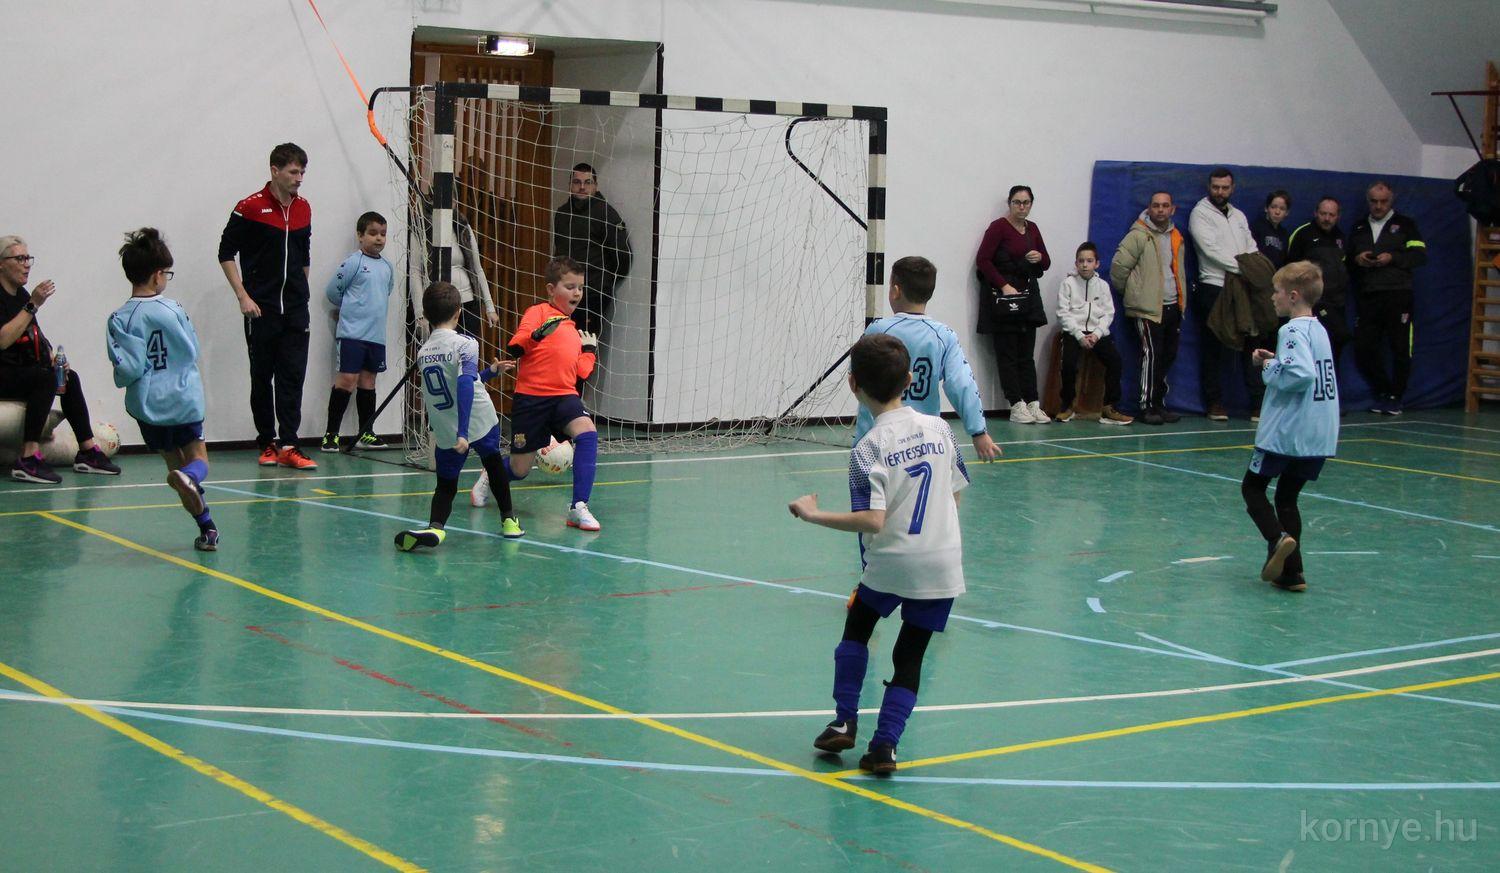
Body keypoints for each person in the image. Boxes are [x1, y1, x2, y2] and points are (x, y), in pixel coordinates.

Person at [790, 333, 970, 775]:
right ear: (909, 380)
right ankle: (885, 746)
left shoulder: (867, 447)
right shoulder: (941, 428)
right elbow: (955, 492)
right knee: (910, 656)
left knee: (857, 628)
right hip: (943, 560)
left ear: (853, 385)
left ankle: (844, 720)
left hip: (892, 560)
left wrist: (813, 515)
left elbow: (872, 520)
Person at [470, 257, 602, 531]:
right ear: (551, 289)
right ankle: (491, 475)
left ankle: (578, 506)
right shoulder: (538, 312)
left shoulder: (572, 330)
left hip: (564, 397)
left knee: (587, 433)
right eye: (570, 287)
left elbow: (580, 372)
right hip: (531, 400)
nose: (577, 293)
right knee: (520, 469)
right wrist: (537, 335)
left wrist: (589, 351)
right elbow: (516, 346)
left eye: (580, 287)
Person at [106, 229, 217, 551]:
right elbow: (192, 348)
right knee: (197, 460)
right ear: (157, 275)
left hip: (149, 406)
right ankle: (193, 481)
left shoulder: (119, 319)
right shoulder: (173, 309)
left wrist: (121, 376)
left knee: (175, 468)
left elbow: (128, 368)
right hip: (183, 398)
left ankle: (207, 528)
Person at [394, 282, 521, 550]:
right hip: (478, 420)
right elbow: (464, 384)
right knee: (494, 465)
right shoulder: (466, 344)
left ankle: (436, 527)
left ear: (426, 315)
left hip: (445, 427)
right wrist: (464, 431)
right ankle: (509, 521)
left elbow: (459, 381)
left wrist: (490, 372)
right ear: (458, 312)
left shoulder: (423, 352)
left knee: (446, 484)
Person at [217, 143, 317, 470]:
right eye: (293, 172)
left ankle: (290, 444)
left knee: (292, 376)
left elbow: (304, 256)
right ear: (275, 170)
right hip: (261, 309)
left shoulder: (304, 208)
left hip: (296, 310)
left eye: (302, 172)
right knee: (262, 378)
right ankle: (267, 443)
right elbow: (225, 253)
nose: (299, 178)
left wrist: (302, 292)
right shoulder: (249, 207)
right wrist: (242, 296)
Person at [1244, 261, 1339, 592]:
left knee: (1252, 488)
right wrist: (1277, 359)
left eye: (1277, 292)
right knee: (1287, 497)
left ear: (1293, 296)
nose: (1273, 297)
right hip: (1319, 432)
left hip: (1289, 430)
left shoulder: (1291, 330)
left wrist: (1268, 366)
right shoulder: (1319, 330)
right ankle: (1292, 573)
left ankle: (1277, 539)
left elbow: (1301, 374)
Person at [855, 255, 1000, 460]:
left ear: (895, 291)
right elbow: (962, 384)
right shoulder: (944, 335)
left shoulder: (877, 331)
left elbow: (857, 377)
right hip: (924, 442)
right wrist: (978, 431)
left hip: (876, 441)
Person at [0, 235, 118, 483]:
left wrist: (53, 359)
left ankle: (87, 452)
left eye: (28, 258)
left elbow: (35, 336)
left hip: (19, 372)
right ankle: (28, 457)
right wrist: (33, 305)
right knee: (44, 379)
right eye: (19, 258)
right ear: (1, 264)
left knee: (67, 377)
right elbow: (4, 340)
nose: (26, 264)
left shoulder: (21, 295)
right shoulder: (15, 299)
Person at [1189, 168, 1261, 421]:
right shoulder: (1199, 214)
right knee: (1214, 348)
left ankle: (1257, 403)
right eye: (1216, 187)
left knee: (1251, 345)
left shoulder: (1239, 215)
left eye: (1225, 187)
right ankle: (1215, 403)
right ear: (1209, 187)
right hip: (1214, 286)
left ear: (1232, 188)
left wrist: (1249, 267)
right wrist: (1241, 267)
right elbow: (1210, 250)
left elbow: (1251, 245)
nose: (1220, 192)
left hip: (1243, 287)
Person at [1348, 181, 1426, 415]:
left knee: (1400, 347)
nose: (1378, 206)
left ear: (1391, 201)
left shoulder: (1406, 225)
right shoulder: (1359, 227)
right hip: (1369, 295)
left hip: (1398, 294)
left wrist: (1392, 258)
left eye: (1383, 202)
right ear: (1368, 201)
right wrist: (1358, 259)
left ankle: (1396, 396)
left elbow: (1419, 255)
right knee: (1363, 347)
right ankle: (1383, 391)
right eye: (1374, 201)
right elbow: (1347, 258)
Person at [975, 185, 1051, 423]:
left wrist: (1039, 257)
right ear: (1009, 203)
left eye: (1026, 202)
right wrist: (1004, 285)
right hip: (1004, 300)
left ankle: (1033, 402)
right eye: (1017, 202)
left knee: (1026, 354)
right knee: (1007, 353)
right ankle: (1016, 404)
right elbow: (983, 260)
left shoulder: (1033, 229)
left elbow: (1046, 262)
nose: (1022, 207)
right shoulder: (998, 227)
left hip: (1027, 299)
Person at [1110, 192, 1187, 426]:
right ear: (1149, 208)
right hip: (1147, 308)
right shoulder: (1138, 235)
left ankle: (1159, 403)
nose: (1160, 210)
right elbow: (1119, 268)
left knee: (1168, 355)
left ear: (1173, 209)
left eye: (1165, 206)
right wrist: (1135, 293)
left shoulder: (1176, 236)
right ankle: (1146, 406)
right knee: (1151, 355)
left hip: (1173, 305)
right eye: (1156, 206)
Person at [321, 211, 395, 452]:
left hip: (376, 336)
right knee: (347, 380)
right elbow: (333, 291)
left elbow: (386, 291)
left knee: (368, 381)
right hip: (352, 335)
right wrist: (349, 309)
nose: (379, 238)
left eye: (383, 234)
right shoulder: (354, 262)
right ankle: (331, 434)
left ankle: (366, 433)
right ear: (360, 235)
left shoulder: (387, 267)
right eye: (373, 233)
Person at [1056, 243, 1132, 425]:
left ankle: (1108, 408)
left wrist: (1097, 334)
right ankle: (1067, 406)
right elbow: (1062, 313)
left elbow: (1108, 313)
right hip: (1074, 332)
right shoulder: (1068, 284)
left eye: (1089, 261)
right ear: (1076, 263)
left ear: (1097, 264)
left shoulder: (1103, 286)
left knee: (1115, 362)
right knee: (1068, 364)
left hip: (1097, 333)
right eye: (1081, 261)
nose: (1085, 265)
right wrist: (1079, 335)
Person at [553, 163, 632, 334]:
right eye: (577, 182)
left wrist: (603, 282)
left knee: (585, 343)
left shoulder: (605, 213)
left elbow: (623, 255)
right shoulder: (562, 214)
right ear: (570, 185)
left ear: (596, 186)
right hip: (563, 294)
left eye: (587, 182)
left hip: (593, 295)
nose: (582, 187)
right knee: (563, 342)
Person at [411, 205, 499, 339]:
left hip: (468, 303)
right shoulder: (421, 227)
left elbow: (477, 268)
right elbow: (415, 272)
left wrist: (490, 307)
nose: (451, 202)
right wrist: (419, 313)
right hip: (439, 305)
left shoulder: (463, 226)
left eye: (453, 199)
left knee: (467, 348)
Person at [1286, 197, 1352, 368]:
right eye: (1323, 213)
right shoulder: (1303, 234)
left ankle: (1330, 382)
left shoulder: (1340, 237)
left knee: (1334, 347)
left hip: (1338, 302)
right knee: (1334, 338)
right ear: (1315, 213)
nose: (1327, 218)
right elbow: (1290, 270)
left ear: (1338, 216)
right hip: (1314, 303)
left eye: (1331, 215)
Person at [1251, 190, 1292, 269]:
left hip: (1277, 274)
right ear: (1266, 208)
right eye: (1273, 207)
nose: (1277, 212)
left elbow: (1284, 260)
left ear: (1287, 212)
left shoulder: (1284, 234)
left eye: (1282, 209)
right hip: (1258, 271)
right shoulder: (1256, 228)